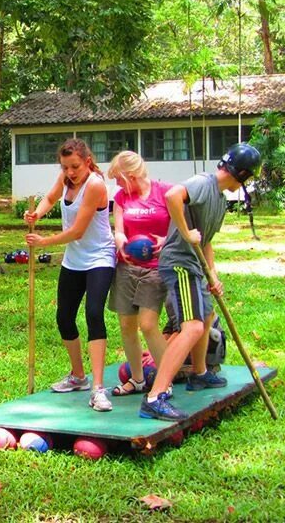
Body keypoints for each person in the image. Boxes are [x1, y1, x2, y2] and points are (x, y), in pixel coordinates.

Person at [140, 143, 261, 421]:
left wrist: (213, 276)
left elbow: (205, 241)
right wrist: (185, 232)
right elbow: (172, 196)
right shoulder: (204, 183)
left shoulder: (219, 198)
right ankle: (155, 397)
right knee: (192, 327)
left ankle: (200, 373)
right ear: (241, 173)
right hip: (179, 264)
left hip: (195, 266)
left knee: (206, 317)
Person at [24, 138, 115, 412]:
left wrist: (43, 242)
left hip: (100, 257)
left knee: (94, 313)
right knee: (64, 317)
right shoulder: (65, 179)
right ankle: (78, 376)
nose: (70, 172)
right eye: (65, 167)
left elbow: (77, 231)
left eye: (75, 166)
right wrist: (36, 214)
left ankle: (98, 388)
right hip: (74, 261)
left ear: (87, 161)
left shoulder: (96, 185)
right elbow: (51, 198)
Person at [107, 151, 172, 396]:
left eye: (119, 179)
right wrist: (120, 240)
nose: (117, 184)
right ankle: (137, 379)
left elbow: (182, 224)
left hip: (155, 269)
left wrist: (166, 240)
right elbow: (119, 229)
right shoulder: (122, 197)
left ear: (131, 176)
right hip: (127, 268)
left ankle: (165, 382)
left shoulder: (165, 191)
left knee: (148, 324)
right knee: (126, 325)